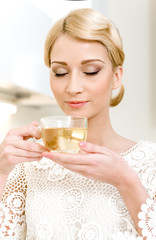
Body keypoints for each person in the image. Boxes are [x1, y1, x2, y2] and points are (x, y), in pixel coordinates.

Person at [0, 8, 156, 240]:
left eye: (91, 71)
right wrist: (2, 171)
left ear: (116, 76)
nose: (73, 87)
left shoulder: (150, 162)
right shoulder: (26, 167)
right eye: (60, 73)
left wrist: (126, 182)